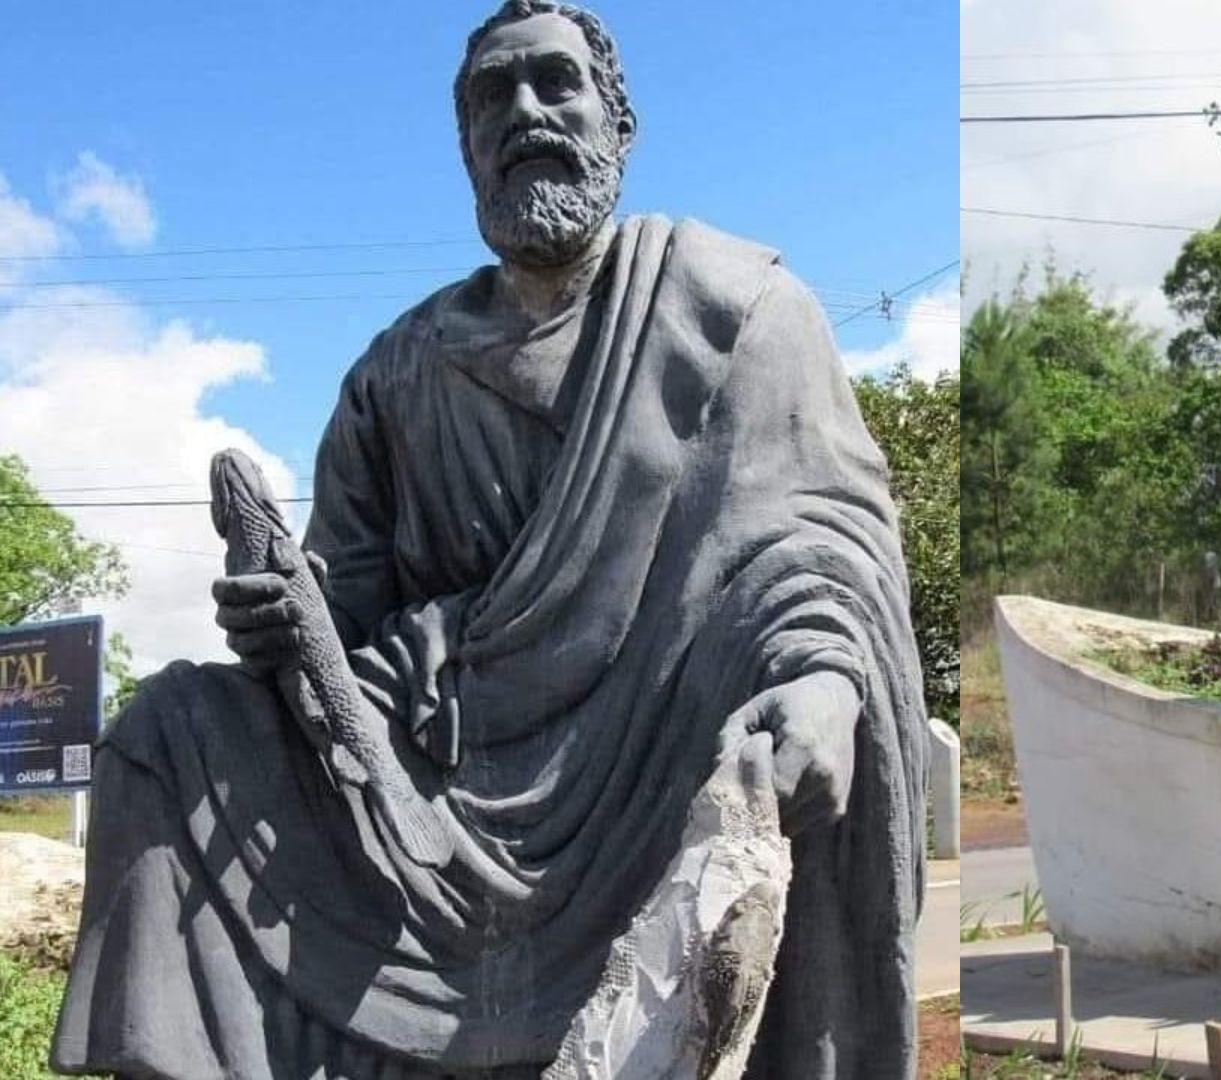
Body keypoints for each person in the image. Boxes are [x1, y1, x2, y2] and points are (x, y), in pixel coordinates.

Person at [51, 3, 927, 1077]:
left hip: (647, 768)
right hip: (426, 769)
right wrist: (287, 618)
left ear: (618, 123)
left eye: (555, 82)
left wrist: (827, 682)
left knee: (782, 712)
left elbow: (823, 546)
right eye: (489, 98)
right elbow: (344, 602)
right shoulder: (399, 368)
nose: (523, 112)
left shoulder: (736, 311)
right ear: (467, 148)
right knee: (167, 728)